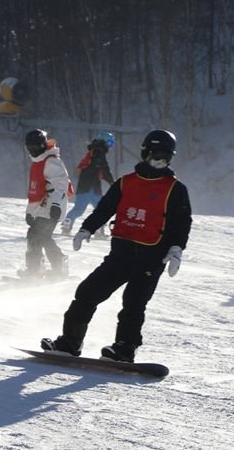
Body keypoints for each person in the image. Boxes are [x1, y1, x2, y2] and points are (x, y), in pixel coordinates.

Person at [41, 129, 192, 362]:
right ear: (144, 154)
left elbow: (182, 222)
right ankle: (69, 342)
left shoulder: (176, 189)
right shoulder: (126, 183)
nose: (159, 162)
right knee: (87, 292)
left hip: (152, 258)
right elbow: (104, 208)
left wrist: (176, 249)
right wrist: (87, 228)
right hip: (120, 255)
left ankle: (124, 348)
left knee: (133, 304)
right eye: (155, 155)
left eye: (165, 157)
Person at [23, 129, 71, 279]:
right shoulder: (38, 162)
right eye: (29, 148)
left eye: (35, 147)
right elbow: (35, 192)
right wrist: (30, 212)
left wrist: (56, 205)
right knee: (35, 235)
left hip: (54, 205)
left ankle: (54, 266)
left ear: (43, 145)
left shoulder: (51, 161)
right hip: (43, 206)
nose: (33, 151)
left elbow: (61, 185)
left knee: (40, 235)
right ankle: (36, 268)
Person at [61, 131, 116, 236]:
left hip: (83, 186)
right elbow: (104, 168)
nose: (110, 147)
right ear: (104, 142)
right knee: (101, 210)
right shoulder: (100, 152)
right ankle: (99, 230)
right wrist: (112, 182)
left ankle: (67, 223)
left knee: (79, 209)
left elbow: (98, 168)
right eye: (110, 144)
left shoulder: (93, 151)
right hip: (93, 187)